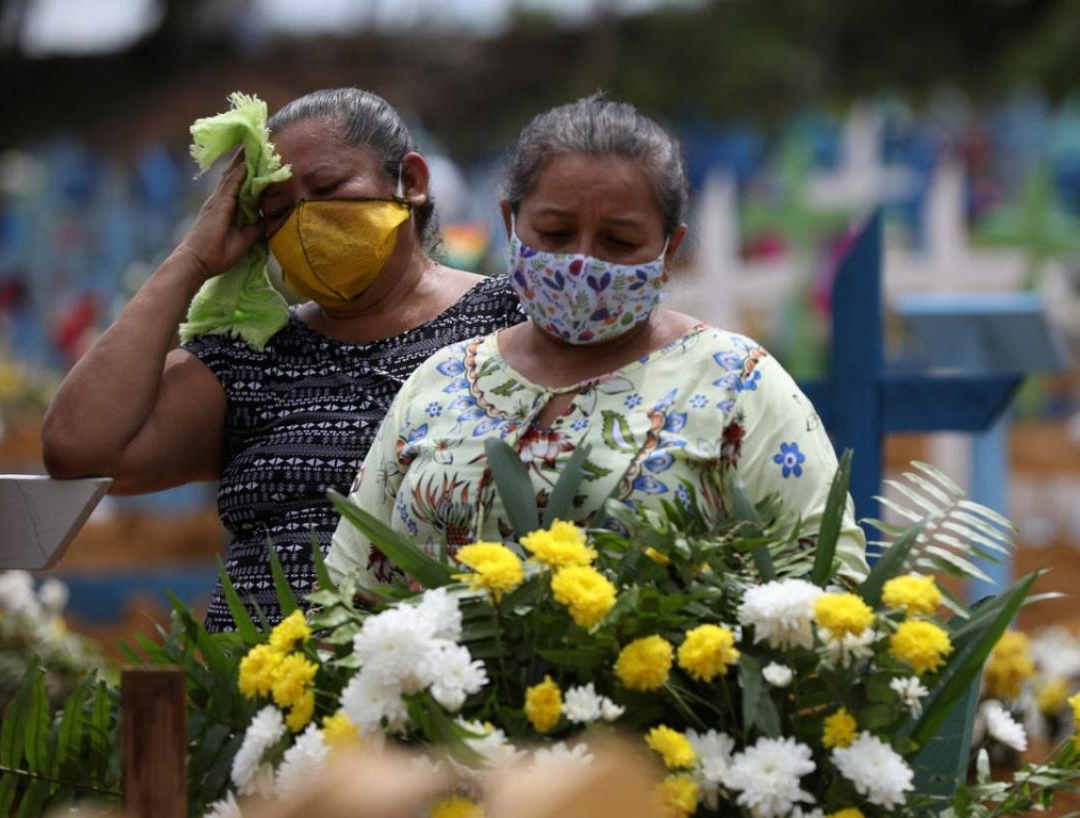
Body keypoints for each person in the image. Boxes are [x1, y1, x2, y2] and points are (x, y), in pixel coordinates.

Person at [326, 95, 866, 590]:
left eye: (619, 241)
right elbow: (351, 590)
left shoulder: (734, 382)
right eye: (556, 234)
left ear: (669, 249)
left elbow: (824, 585)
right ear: (510, 224)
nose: (582, 261)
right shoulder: (440, 384)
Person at [41, 88, 526, 630]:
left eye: (327, 188)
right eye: (276, 210)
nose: (304, 219)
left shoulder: (511, 321)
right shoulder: (250, 359)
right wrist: (191, 260)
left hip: (445, 680)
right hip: (257, 690)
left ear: (410, 182)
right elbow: (77, 449)